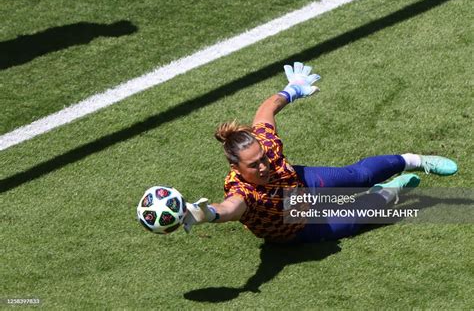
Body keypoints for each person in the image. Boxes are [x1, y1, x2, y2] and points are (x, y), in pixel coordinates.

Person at [182, 62, 458, 243]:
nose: (264, 166)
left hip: (301, 184)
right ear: (236, 166)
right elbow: (229, 209)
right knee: (352, 221)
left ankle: (416, 161)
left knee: (358, 175)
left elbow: (266, 110)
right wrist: (205, 214)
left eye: (263, 159)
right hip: (294, 225)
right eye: (254, 165)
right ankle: (389, 191)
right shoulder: (241, 191)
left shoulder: (267, 145)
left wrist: (292, 90)